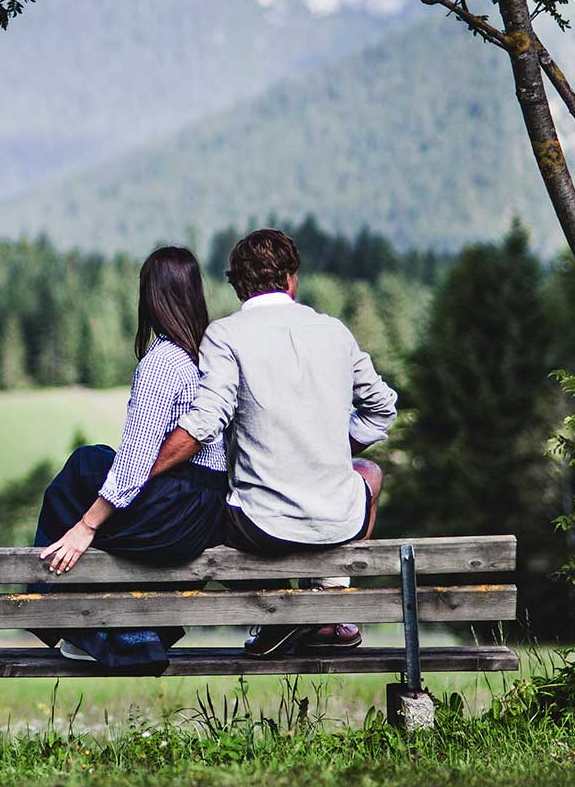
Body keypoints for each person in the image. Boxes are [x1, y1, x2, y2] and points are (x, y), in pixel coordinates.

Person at [147, 228, 398, 657]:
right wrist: (335, 446)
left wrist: (144, 471)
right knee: (371, 475)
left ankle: (279, 619)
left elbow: (207, 420)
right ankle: (327, 606)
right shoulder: (334, 332)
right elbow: (383, 409)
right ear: (290, 278)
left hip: (259, 527)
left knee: (212, 507)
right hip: (336, 520)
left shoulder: (225, 335)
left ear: (238, 284)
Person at [34, 245, 228, 668]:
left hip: (173, 516)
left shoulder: (163, 362)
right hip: (205, 513)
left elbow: (137, 459)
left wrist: (87, 526)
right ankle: (120, 630)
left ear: (151, 298)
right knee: (95, 465)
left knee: (82, 468)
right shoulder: (210, 359)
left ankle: (77, 625)